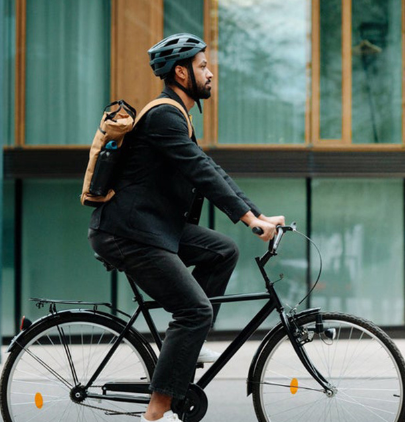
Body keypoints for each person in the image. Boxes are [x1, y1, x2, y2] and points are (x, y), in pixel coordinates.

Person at [87, 33, 284, 422]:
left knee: (222, 251)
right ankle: (157, 412)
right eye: (203, 66)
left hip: (154, 227)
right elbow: (200, 172)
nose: (210, 73)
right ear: (181, 72)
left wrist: (256, 215)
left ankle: (186, 351)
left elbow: (212, 170)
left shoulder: (177, 115)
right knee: (194, 310)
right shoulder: (164, 115)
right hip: (128, 233)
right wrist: (248, 220)